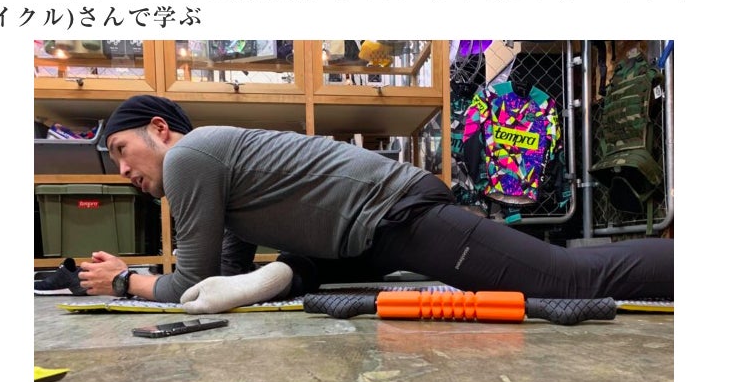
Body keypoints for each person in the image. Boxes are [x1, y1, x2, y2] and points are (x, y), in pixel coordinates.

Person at [78, 94, 673, 314]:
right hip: (365, 234)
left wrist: (126, 280)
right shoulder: (213, 166)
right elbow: (223, 277)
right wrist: (231, 283)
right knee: (288, 273)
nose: (123, 170)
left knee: (567, 281)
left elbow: (190, 282)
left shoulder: (189, 156)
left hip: (398, 216)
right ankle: (291, 270)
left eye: (123, 150)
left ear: (160, 130)